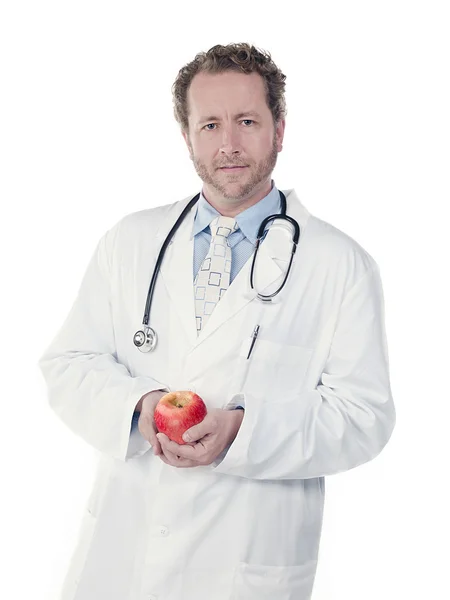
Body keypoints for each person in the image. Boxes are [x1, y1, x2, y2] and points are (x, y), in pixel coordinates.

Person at [38, 42, 396, 600]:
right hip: (123, 553)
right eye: (209, 124)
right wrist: (141, 406)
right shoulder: (130, 242)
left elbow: (364, 417)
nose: (227, 144)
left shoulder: (339, 264)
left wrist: (242, 431)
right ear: (187, 135)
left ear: (279, 129)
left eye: (246, 121)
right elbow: (68, 364)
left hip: (246, 564)